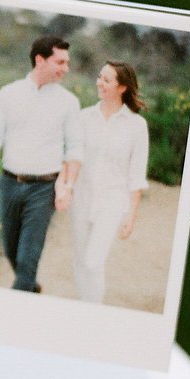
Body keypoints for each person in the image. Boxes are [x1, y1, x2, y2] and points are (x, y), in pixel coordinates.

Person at [0, 34, 83, 292]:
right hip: (9, 184)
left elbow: (75, 149)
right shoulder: (9, 94)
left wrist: (67, 187)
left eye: (66, 63)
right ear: (40, 60)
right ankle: (29, 286)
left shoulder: (68, 102)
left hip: (43, 190)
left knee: (27, 258)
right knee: (11, 251)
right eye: (60, 62)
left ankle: (17, 306)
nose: (65, 69)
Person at [71, 61, 149, 304]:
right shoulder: (84, 117)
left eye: (106, 80)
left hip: (113, 203)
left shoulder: (137, 126)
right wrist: (64, 188)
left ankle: (93, 314)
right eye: (99, 77)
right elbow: (73, 159)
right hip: (81, 199)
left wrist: (131, 216)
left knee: (93, 260)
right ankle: (86, 309)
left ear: (122, 87)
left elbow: (136, 175)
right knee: (81, 259)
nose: (99, 83)